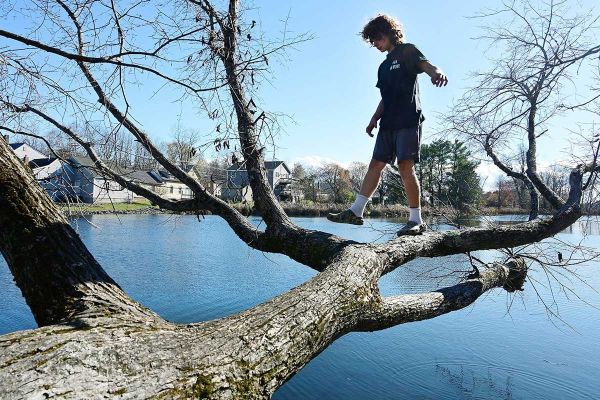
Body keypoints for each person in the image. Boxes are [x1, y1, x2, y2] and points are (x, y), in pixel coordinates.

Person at [327, 14, 448, 236]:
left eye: (377, 38)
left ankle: (415, 220)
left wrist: (436, 73)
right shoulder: (383, 67)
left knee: (405, 166)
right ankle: (356, 211)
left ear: (389, 33)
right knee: (375, 165)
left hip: (408, 120)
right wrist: (374, 118)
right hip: (388, 123)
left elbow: (427, 65)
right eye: (372, 40)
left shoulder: (408, 51)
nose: (374, 44)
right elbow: (385, 97)